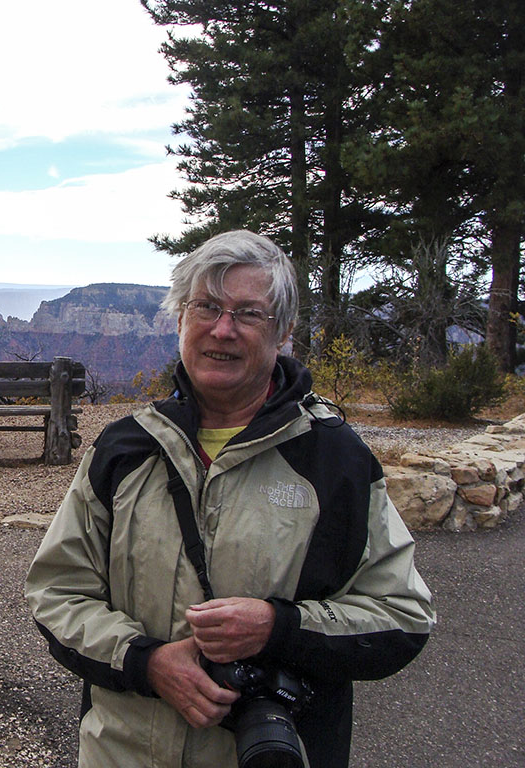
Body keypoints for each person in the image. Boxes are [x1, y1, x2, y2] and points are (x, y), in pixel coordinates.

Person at [24, 230, 435, 768]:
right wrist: (147, 663)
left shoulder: (333, 462)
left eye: (248, 313)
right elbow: (56, 591)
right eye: (207, 307)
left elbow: (402, 616)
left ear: (284, 331)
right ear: (178, 319)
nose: (222, 329)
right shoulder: (125, 450)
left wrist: (279, 627)